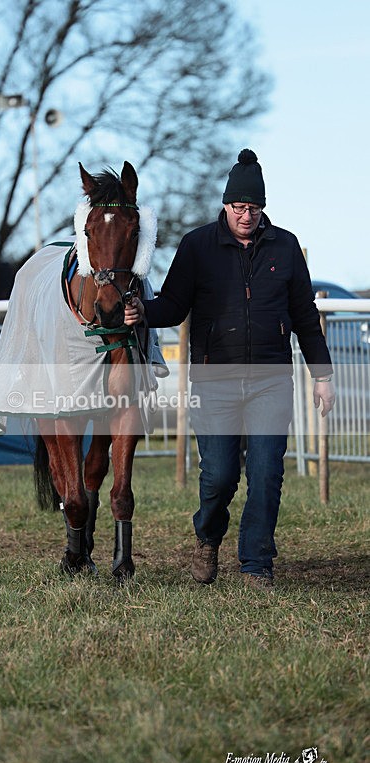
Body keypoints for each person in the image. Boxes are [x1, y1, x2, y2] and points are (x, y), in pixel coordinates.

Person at [124, 149, 335, 588]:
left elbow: (303, 314)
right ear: (225, 205)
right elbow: (174, 304)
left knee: (266, 473)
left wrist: (322, 376)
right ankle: (207, 538)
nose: (246, 215)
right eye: (239, 207)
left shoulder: (286, 247)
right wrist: (143, 312)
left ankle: (256, 563)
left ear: (263, 208)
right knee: (219, 476)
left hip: (271, 380)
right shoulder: (197, 245)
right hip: (214, 380)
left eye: (254, 208)